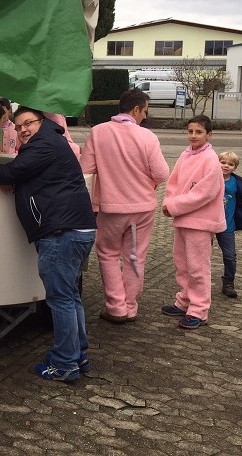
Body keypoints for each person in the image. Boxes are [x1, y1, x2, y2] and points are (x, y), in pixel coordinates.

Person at [0, 107, 97, 383]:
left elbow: (17, 169)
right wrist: (17, 180)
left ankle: (65, 363)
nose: (23, 130)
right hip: (76, 228)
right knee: (70, 296)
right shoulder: (51, 141)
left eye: (28, 123)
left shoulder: (43, 143)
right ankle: (78, 354)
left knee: (60, 299)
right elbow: (29, 174)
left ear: (41, 122)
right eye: (18, 126)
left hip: (60, 232)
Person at [80, 89, 169, 324]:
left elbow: (85, 170)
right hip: (143, 207)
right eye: (145, 111)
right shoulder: (147, 136)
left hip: (111, 208)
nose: (145, 116)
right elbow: (161, 173)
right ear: (136, 109)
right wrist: (146, 181)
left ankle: (116, 307)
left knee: (108, 253)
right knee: (135, 257)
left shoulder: (98, 132)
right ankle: (130, 305)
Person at [161, 115, 226, 330]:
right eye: (190, 131)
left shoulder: (210, 159)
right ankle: (185, 300)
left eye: (198, 132)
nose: (193, 136)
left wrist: (175, 205)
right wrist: (169, 202)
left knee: (198, 267)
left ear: (209, 135)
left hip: (200, 221)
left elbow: (205, 192)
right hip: (183, 218)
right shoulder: (185, 155)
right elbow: (173, 183)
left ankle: (199, 309)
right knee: (182, 263)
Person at [216, 150, 242, 298]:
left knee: (230, 255)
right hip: (208, 223)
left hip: (227, 225)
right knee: (202, 254)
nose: (226, 166)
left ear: (235, 167)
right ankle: (199, 282)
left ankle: (228, 282)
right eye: (223, 162)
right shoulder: (210, 178)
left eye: (230, 164)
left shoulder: (238, 183)